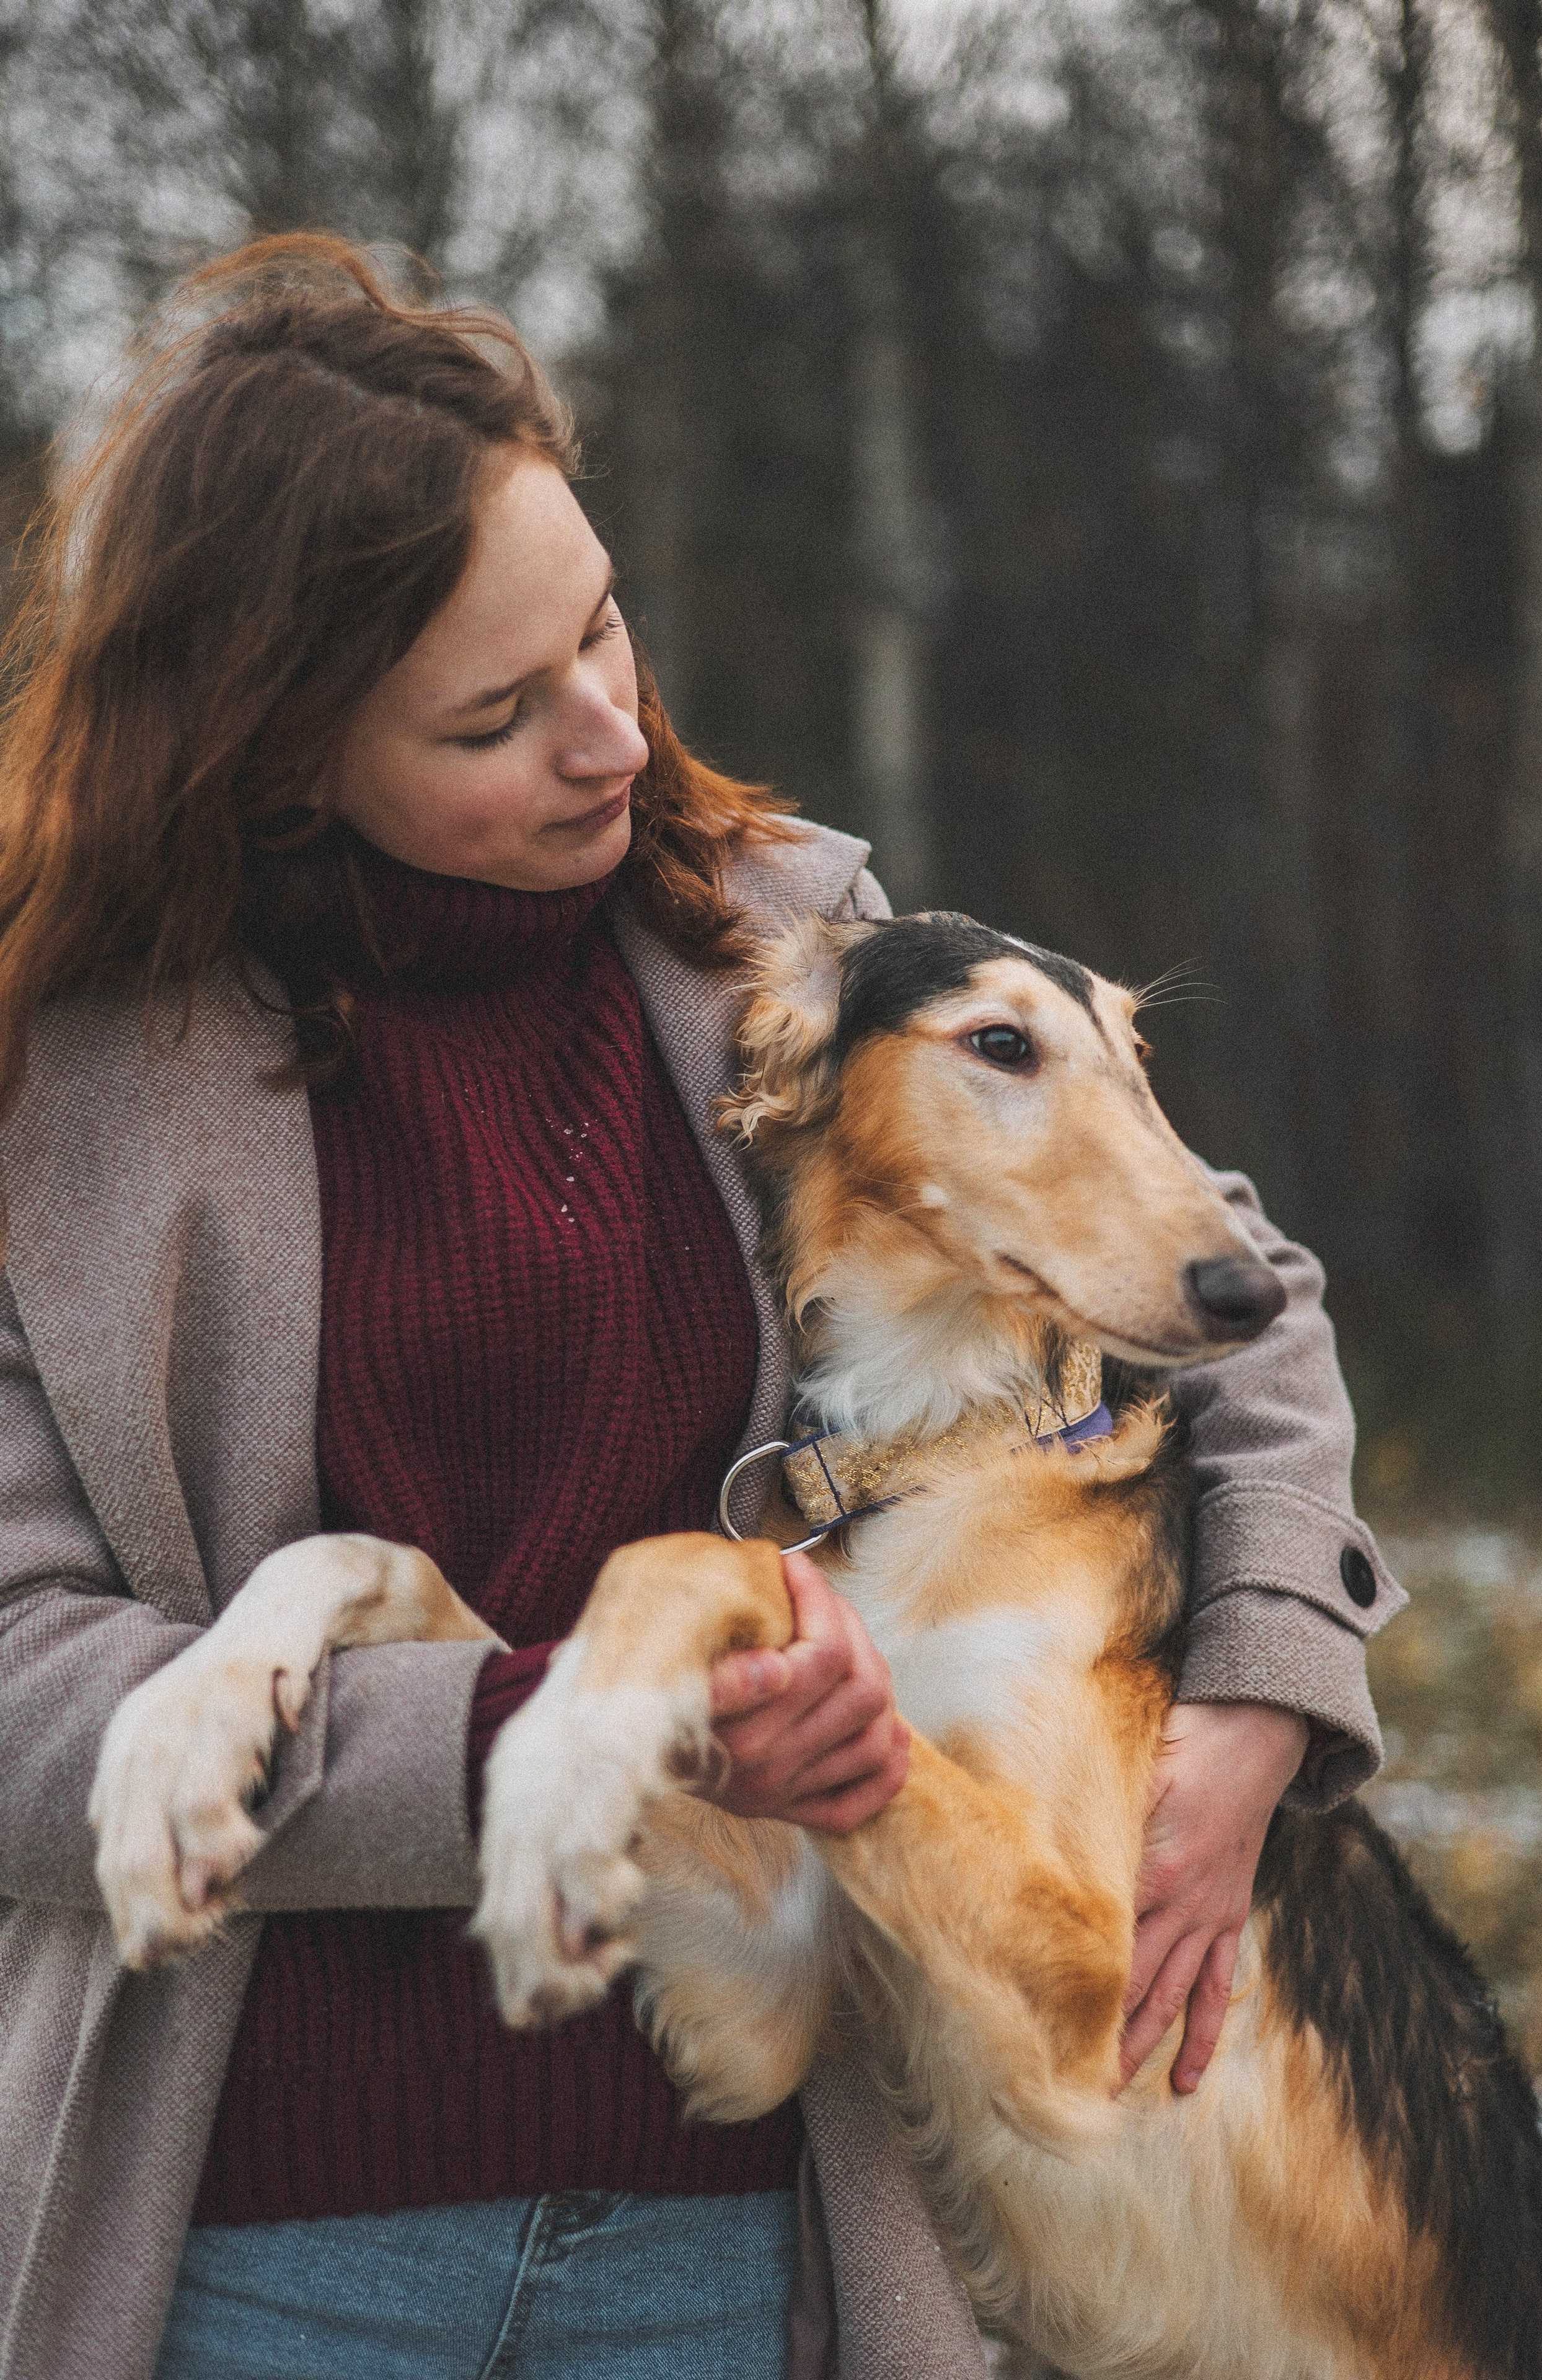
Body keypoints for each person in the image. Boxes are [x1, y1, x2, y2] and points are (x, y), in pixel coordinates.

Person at [0, 236, 1402, 2380]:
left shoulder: (781, 946)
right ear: (279, 758)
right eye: (496, 714)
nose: (611, 735)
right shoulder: (61, 1090)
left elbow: (1232, 1285)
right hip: (251, 2251)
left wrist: (1261, 1689)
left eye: (604, 626)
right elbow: (21, 1686)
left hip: (764, 2239)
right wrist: (535, 1731)